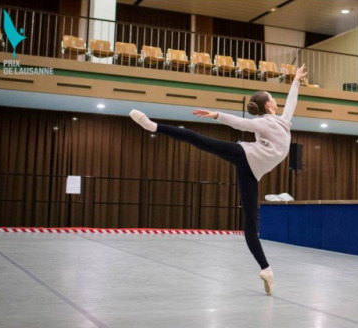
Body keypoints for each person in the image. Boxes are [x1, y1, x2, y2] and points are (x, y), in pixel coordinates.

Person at [130, 64, 307, 295]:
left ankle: (266, 269)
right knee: (200, 140)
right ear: (268, 105)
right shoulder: (263, 122)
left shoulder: (283, 121)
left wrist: (295, 80)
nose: (277, 100)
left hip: (252, 172)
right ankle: (154, 126)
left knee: (251, 224)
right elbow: (241, 123)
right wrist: (217, 115)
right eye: (273, 98)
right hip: (246, 155)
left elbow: (292, 102)